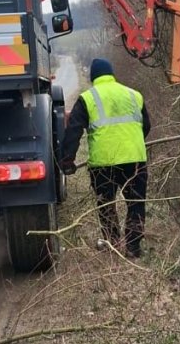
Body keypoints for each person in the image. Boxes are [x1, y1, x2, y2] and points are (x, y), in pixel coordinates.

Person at [61, 58, 151, 258]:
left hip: (103, 164)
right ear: (112, 74)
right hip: (135, 160)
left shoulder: (87, 98)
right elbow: (146, 126)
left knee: (106, 204)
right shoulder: (134, 95)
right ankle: (133, 248)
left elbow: (74, 130)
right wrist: (131, 143)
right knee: (136, 203)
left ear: (93, 77)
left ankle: (113, 243)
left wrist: (67, 160)